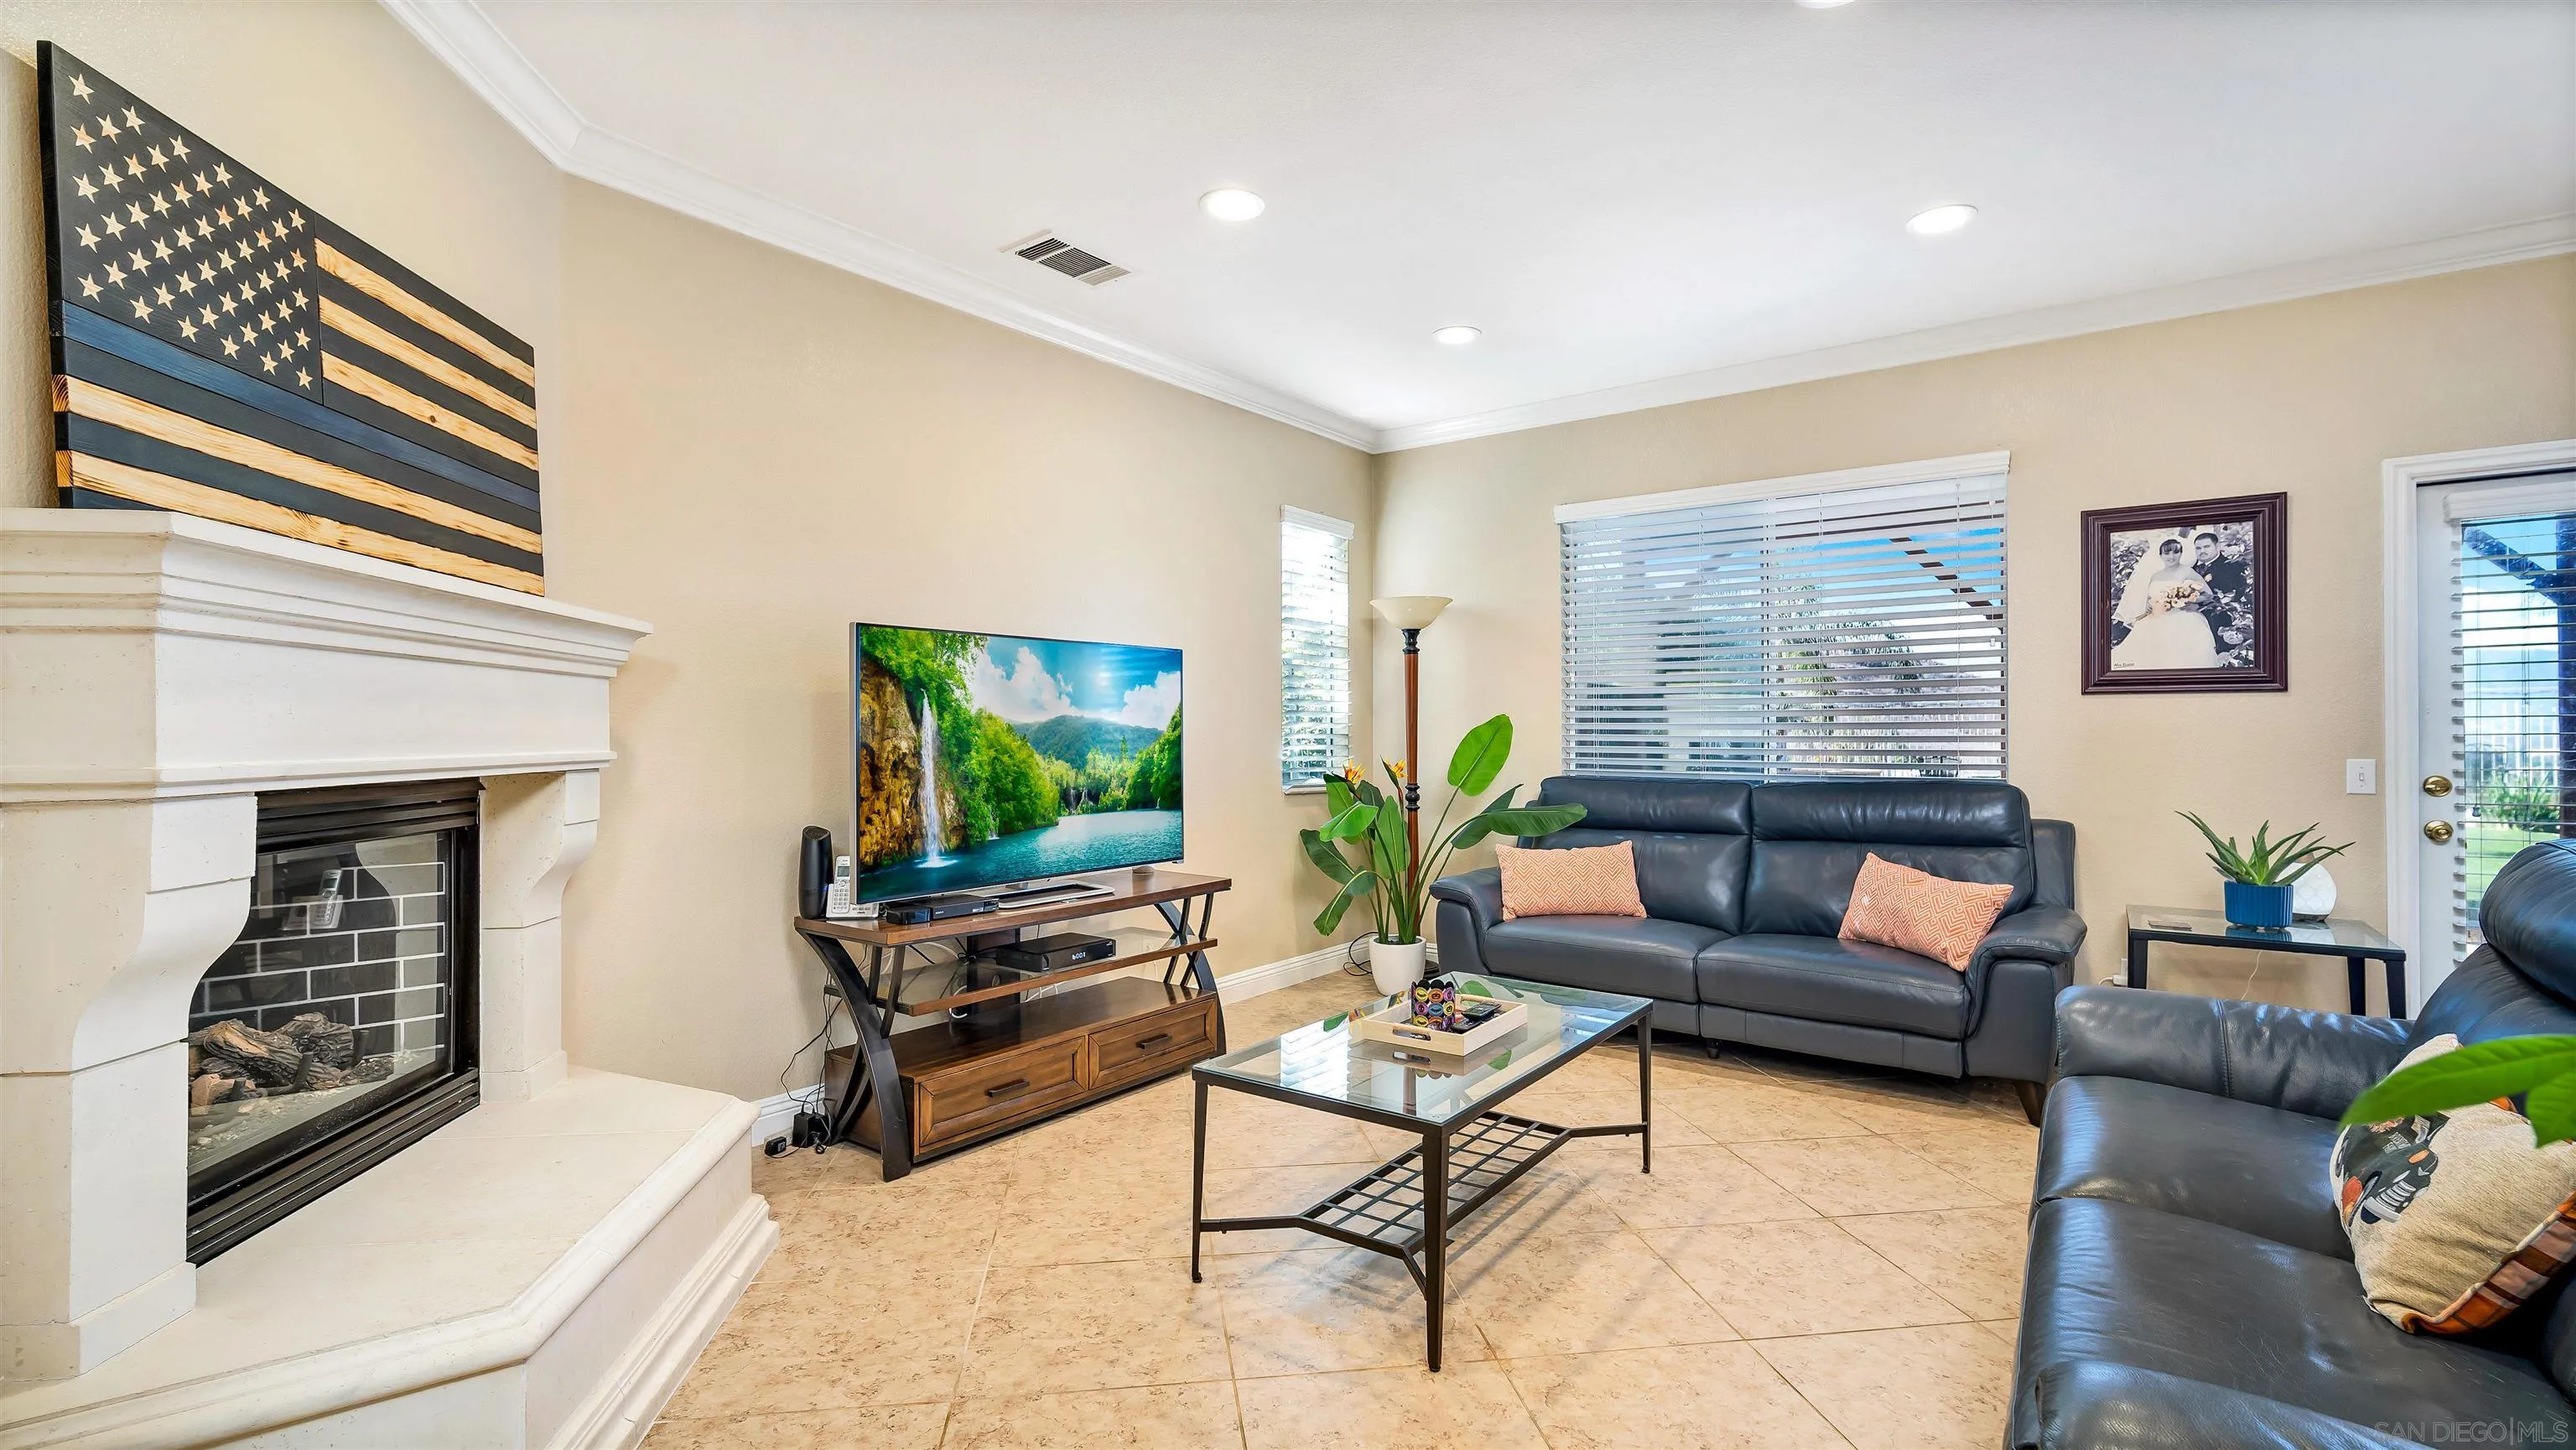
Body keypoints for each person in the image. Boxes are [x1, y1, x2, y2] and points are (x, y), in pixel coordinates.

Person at [2111, 536, 2220, 670]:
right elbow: (2149, 600)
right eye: (2167, 553)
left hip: (2183, 619)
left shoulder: (2188, 571)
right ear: (2161, 555)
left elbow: (2209, 595)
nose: (2171, 557)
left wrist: (2188, 600)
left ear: (2181, 554)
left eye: (2175, 552)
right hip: (2156, 619)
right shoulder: (2155, 576)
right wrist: (2149, 606)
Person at [2188, 530, 2251, 663]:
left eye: (2206, 547)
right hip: (2193, 624)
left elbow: (2236, 594)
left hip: (2220, 622)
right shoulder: (2191, 569)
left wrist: (2199, 605)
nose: (2202, 551)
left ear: (2217, 547)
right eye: (2198, 548)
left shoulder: (2233, 566)